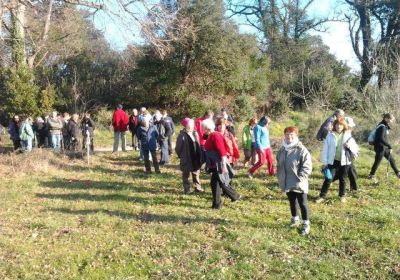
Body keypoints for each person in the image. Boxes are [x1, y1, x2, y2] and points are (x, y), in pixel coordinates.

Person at [277, 127, 312, 235]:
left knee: (303, 203)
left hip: (299, 182)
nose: (289, 137)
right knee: (292, 201)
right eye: (287, 134)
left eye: (292, 134)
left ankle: (306, 224)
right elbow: (279, 163)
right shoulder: (282, 149)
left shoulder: (301, 150)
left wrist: (299, 179)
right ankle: (295, 219)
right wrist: (280, 176)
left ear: (296, 135)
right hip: (287, 181)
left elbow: (307, 167)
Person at [316, 118, 359, 203]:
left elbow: (356, 148)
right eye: (337, 124)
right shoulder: (330, 135)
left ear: (344, 126)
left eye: (341, 125)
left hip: (345, 161)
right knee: (328, 178)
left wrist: (349, 146)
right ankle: (322, 196)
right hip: (333, 161)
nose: (339, 126)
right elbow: (325, 149)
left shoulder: (348, 136)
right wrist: (324, 162)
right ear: (334, 125)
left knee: (343, 179)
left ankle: (342, 196)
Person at [202, 119, 241, 209]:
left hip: (218, 163)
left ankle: (219, 203)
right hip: (214, 163)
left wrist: (224, 165)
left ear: (207, 128)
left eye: (203, 128)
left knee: (217, 182)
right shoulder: (211, 135)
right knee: (217, 182)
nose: (202, 129)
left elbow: (222, 151)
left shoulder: (215, 135)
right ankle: (225, 200)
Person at [368, 113, 400, 182]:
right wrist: (389, 145)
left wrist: (388, 146)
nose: (391, 121)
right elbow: (381, 138)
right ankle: (371, 175)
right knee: (377, 162)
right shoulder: (382, 126)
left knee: (392, 160)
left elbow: (384, 138)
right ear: (386, 118)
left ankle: (398, 173)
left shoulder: (384, 125)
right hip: (380, 147)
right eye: (391, 119)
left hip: (384, 147)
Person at [175, 117, 204, 194]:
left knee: (196, 173)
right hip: (186, 158)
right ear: (186, 125)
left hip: (195, 157)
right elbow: (178, 148)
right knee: (186, 175)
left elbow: (198, 145)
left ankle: (198, 187)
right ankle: (187, 190)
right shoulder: (182, 135)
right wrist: (181, 156)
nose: (192, 125)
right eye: (190, 124)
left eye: (192, 123)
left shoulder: (195, 133)